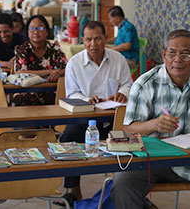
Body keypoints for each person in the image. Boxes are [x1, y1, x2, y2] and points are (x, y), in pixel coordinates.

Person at [111, 29, 190, 209]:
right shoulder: (145, 84)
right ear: (163, 55)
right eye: (172, 53)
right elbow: (129, 129)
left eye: (185, 53)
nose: (177, 59)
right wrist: (154, 124)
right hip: (151, 157)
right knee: (123, 185)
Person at [57, 21, 133, 207]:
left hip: (113, 119)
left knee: (131, 142)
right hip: (84, 118)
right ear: (82, 41)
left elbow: (128, 84)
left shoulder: (118, 59)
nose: (93, 44)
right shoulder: (74, 63)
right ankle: (74, 191)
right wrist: (86, 100)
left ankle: (123, 188)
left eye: (98, 38)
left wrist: (123, 93)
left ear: (105, 39)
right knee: (68, 138)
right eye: (89, 39)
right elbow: (72, 94)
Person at [13, 14, 67, 106]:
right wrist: (51, 71)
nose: (36, 32)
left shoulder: (54, 48)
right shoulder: (22, 49)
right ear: (28, 32)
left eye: (40, 28)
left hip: (51, 91)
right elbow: (21, 72)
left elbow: (67, 69)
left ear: (46, 31)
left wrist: (58, 73)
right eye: (32, 29)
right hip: (27, 92)